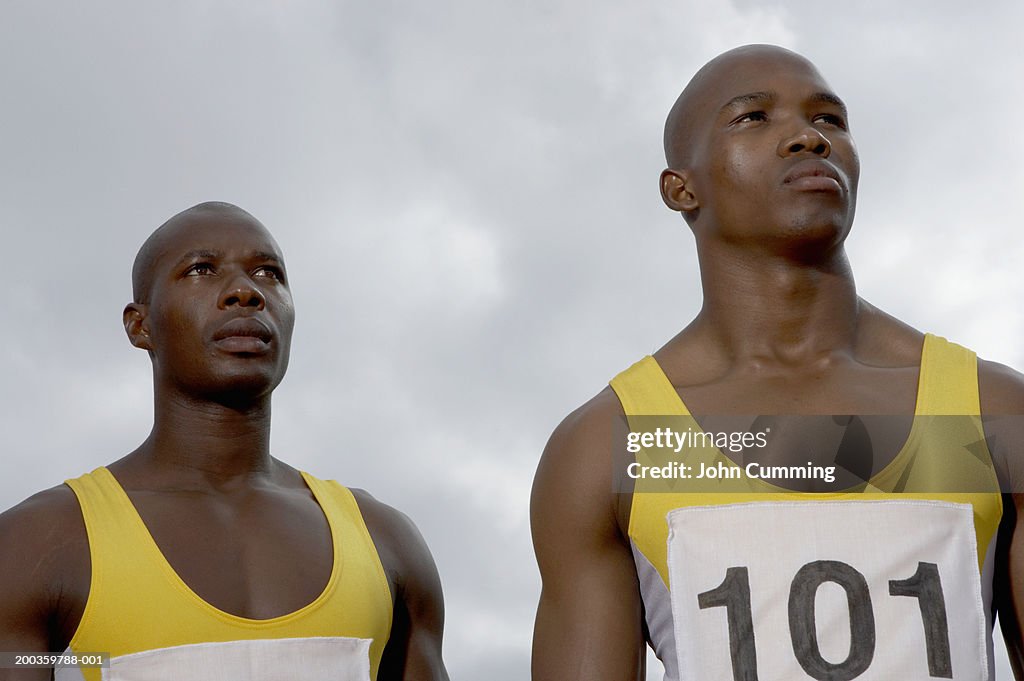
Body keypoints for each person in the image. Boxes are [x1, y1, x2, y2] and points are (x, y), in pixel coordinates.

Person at [531, 45, 1024, 680]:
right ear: (681, 188)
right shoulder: (610, 445)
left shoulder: (992, 413)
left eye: (830, 120)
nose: (807, 138)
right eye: (753, 118)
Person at [0, 202, 449, 681]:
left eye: (268, 273)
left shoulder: (385, 542)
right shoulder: (36, 545)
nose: (245, 291)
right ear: (140, 325)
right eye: (201, 270)